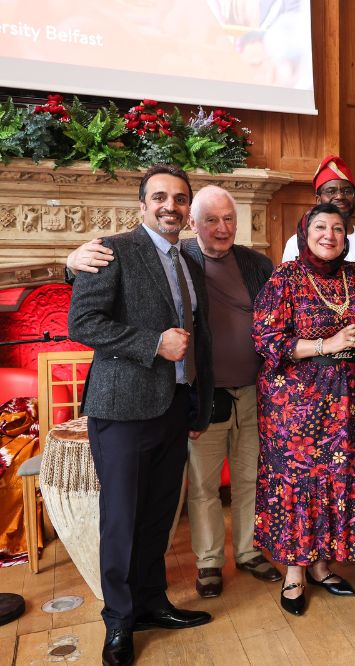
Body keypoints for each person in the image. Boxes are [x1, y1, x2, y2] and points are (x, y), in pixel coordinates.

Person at [65, 186, 283, 599]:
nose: (222, 228)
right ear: (193, 224)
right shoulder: (179, 256)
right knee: (201, 486)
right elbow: (99, 295)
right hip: (202, 393)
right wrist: (71, 263)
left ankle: (249, 550)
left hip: (254, 392)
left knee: (250, 479)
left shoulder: (256, 263)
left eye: (229, 219)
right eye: (211, 220)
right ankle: (209, 562)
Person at [68, 164, 214, 666]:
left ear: (187, 209)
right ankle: (119, 620)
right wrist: (153, 343)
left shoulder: (189, 261)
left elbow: (199, 336)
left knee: (158, 515)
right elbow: (83, 323)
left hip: (174, 406)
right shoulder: (111, 251)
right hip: (123, 409)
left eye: (179, 198)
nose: (170, 206)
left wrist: (199, 401)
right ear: (142, 205)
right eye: (159, 197)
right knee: (121, 519)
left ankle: (153, 603)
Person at [253, 203, 355, 616]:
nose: (329, 235)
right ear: (304, 233)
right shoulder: (285, 277)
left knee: (337, 478)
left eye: (337, 228)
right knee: (299, 481)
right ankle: (295, 572)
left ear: (347, 236)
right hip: (294, 402)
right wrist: (325, 345)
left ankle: (322, 565)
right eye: (320, 227)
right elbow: (265, 339)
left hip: (349, 397)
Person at [280, 155, 355, 303]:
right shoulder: (297, 243)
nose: (340, 196)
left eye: (347, 191)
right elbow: (287, 295)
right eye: (331, 191)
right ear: (318, 200)